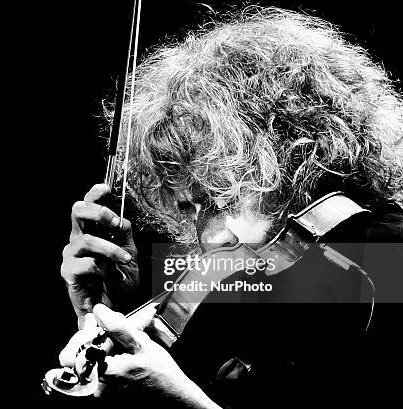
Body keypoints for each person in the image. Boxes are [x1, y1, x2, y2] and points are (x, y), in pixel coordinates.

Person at [58, 8, 403, 408]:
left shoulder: (386, 260)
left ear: (302, 159)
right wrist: (106, 316)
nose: (214, 238)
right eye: (190, 209)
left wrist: (183, 401)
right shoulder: (256, 297)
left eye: (224, 198)